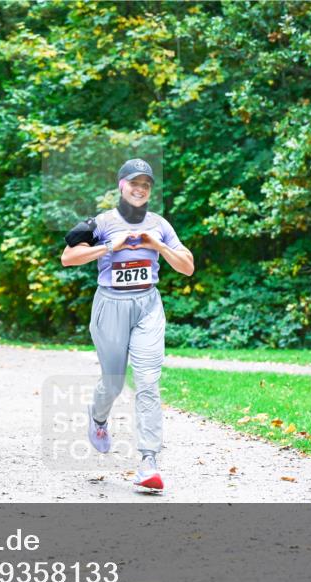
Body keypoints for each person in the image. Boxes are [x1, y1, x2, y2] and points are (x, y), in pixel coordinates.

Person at [60, 158, 195, 491]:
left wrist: (158, 246)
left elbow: (187, 266)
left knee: (148, 382)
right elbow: (68, 257)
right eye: (134, 183)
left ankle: (149, 461)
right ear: (121, 185)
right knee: (114, 382)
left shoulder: (159, 224)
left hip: (148, 305)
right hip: (110, 305)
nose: (140, 189)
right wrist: (110, 246)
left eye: (146, 184)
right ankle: (98, 416)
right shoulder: (103, 222)